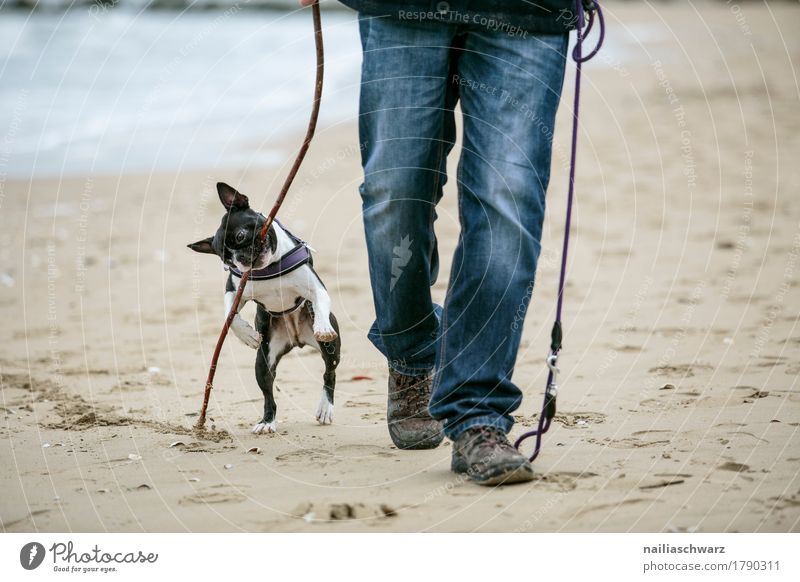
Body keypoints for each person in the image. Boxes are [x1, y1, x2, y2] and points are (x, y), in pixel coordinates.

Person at [299, 0, 582, 485]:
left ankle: (477, 413)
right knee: (396, 190)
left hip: (529, 12)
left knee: (507, 203)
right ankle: (411, 347)